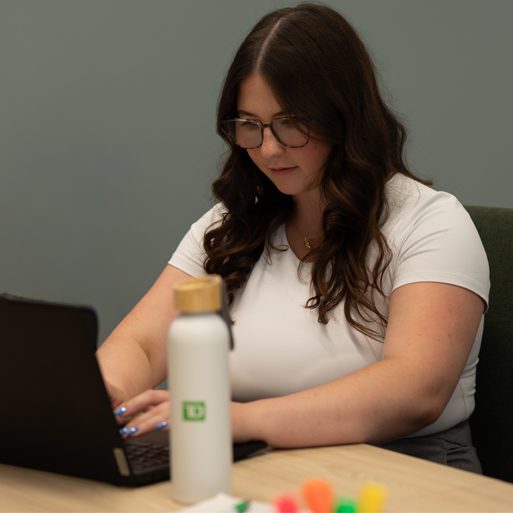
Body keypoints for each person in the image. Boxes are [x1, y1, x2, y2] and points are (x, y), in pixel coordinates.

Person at [97, 3, 489, 472]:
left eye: (290, 124)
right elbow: (141, 344)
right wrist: (105, 395)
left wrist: (237, 421)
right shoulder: (233, 223)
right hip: (249, 462)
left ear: (343, 118)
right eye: (250, 125)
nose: (268, 149)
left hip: (398, 470)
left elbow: (415, 390)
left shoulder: (431, 222)